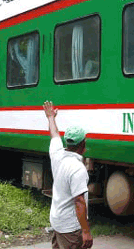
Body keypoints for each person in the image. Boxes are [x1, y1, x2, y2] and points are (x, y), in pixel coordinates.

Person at [43, 100, 93, 249]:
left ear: (68, 143)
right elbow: (79, 201)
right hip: (70, 227)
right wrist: (86, 231)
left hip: (57, 220)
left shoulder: (57, 154)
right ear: (83, 145)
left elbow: (54, 134)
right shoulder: (77, 168)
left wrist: (51, 118)